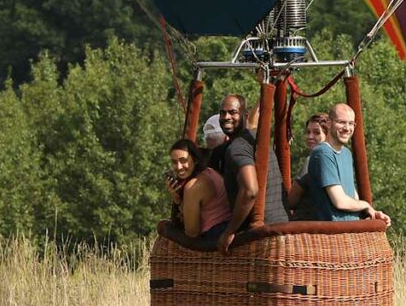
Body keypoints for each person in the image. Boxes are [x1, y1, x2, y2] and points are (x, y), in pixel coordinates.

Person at [215, 93, 290, 242]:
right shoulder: (256, 139)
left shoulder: (237, 148)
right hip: (282, 225)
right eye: (223, 113)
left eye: (233, 112)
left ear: (245, 115)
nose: (226, 117)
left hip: (261, 235)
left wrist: (230, 231)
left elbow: (250, 191)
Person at [298, 103, 388, 223]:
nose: (347, 128)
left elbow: (351, 195)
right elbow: (339, 201)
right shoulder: (322, 153)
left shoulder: (346, 153)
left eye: (351, 123)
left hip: (350, 228)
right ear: (329, 123)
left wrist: (372, 212)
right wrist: (365, 205)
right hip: (333, 232)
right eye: (341, 122)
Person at [164, 139, 232, 242]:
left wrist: (178, 204)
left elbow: (192, 232)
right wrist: (177, 199)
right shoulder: (210, 171)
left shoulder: (193, 187)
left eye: (183, 161)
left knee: (163, 228)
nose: (178, 167)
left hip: (212, 237)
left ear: (194, 159)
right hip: (225, 225)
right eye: (174, 162)